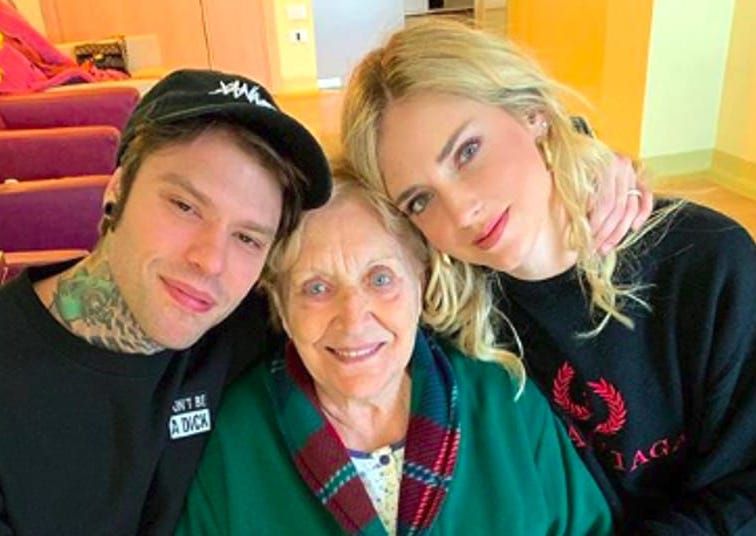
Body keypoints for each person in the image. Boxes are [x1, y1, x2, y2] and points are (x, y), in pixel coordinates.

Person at [340, 18, 756, 534]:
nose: (462, 211)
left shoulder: (706, 263)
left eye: (467, 152)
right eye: (420, 200)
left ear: (532, 113)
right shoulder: (454, 322)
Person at [175, 171, 613, 535]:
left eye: (380, 279)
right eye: (316, 288)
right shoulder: (236, 436)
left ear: (420, 281)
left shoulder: (503, 400)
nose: (353, 319)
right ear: (282, 307)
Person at [0, 69, 332, 535]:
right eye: (185, 206)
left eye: (247, 238)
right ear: (117, 188)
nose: (210, 261)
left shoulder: (252, 329)